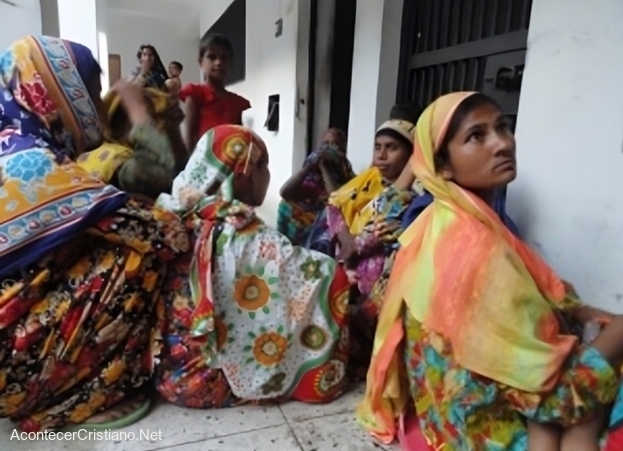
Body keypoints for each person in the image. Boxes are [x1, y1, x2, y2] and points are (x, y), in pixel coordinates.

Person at [357, 92, 623, 451]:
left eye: (502, 127)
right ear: (443, 165)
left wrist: (580, 311)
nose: (502, 144)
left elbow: (545, 293)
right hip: (485, 427)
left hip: (445, 412)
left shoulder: (444, 220)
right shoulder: (474, 250)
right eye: (476, 136)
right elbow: (558, 397)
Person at [0, 36, 188, 431]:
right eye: (88, 88)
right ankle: (72, 398)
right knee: (139, 253)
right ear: (61, 94)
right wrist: (140, 110)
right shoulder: (38, 168)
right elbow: (168, 234)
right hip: (9, 373)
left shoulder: (13, 146)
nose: (96, 103)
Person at [154, 125, 351, 408]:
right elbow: (311, 277)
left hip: (169, 372)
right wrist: (342, 271)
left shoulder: (179, 214)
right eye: (265, 166)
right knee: (335, 286)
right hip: (206, 379)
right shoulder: (240, 231)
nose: (267, 176)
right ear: (245, 172)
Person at [76, 80, 187, 198]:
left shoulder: (153, 150)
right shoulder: (113, 160)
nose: (155, 129)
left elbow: (181, 178)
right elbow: (160, 170)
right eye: (150, 121)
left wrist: (175, 133)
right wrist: (138, 111)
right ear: (119, 128)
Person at [277, 128, 355, 246]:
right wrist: (309, 166)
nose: (329, 148)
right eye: (326, 144)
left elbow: (335, 200)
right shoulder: (312, 163)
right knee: (285, 205)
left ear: (342, 150)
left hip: (325, 214)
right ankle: (285, 246)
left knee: (328, 216)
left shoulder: (344, 170)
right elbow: (284, 192)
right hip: (306, 209)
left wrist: (324, 168)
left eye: (335, 145)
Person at [180, 34, 251, 151]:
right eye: (211, 57)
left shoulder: (238, 103)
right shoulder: (196, 93)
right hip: (203, 161)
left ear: (230, 63)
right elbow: (188, 136)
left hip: (230, 162)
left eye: (224, 58)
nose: (218, 62)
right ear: (201, 62)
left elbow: (240, 137)